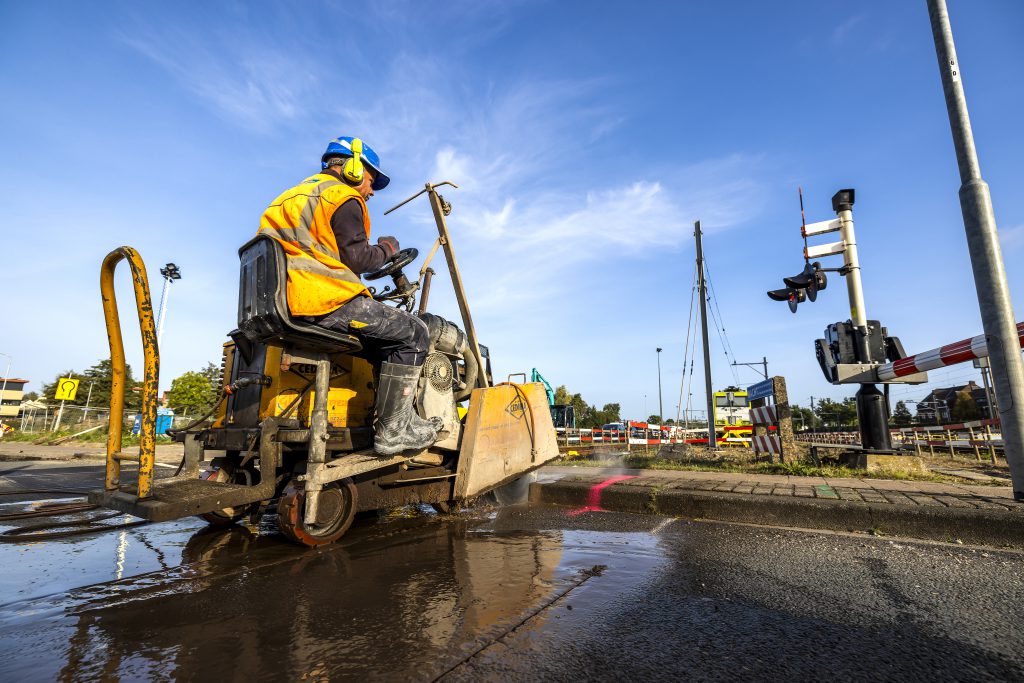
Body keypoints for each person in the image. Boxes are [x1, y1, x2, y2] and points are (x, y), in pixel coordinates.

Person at [256, 136, 441, 455]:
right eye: (372, 181)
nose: (371, 192)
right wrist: (387, 249)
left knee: (383, 347)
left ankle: (402, 420)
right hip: (320, 300)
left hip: (285, 300)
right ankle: (393, 431)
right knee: (415, 332)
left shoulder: (291, 196)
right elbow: (357, 259)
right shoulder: (342, 196)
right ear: (354, 169)